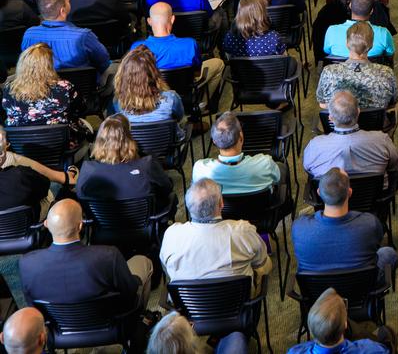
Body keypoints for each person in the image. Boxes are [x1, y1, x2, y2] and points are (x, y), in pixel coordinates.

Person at [20, 199, 151, 321]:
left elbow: (33, 306)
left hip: (60, 328)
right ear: (80, 226)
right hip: (109, 323)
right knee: (142, 261)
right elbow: (130, 291)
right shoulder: (108, 255)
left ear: (46, 224)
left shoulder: (26, 263)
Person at [160, 179, 272, 292]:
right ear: (221, 204)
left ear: (188, 207)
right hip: (238, 302)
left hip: (188, 305)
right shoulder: (243, 231)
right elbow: (261, 261)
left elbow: (167, 269)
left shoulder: (171, 235)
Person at [293, 167, 398, 285]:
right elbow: (377, 241)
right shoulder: (369, 223)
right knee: (388, 253)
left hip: (319, 294)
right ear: (350, 192)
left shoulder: (299, 228)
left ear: (318, 192)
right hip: (360, 289)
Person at [77, 114, 174, 216]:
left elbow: (82, 199)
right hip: (145, 226)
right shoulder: (147, 165)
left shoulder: (88, 170)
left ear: (99, 141)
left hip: (105, 228)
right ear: (129, 138)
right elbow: (167, 188)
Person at [2, 44, 89, 150]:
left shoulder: (9, 89)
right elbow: (82, 108)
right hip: (61, 147)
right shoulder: (65, 87)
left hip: (21, 148)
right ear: (49, 66)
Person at [303, 90, 398, 180]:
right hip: (376, 195)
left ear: (330, 118)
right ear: (358, 112)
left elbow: (307, 169)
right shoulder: (382, 140)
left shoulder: (314, 146)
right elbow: (394, 164)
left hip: (333, 197)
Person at [20, 0, 110, 77]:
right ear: (62, 11)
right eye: (68, 1)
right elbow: (104, 63)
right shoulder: (84, 36)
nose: (70, 1)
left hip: (42, 89)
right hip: (80, 88)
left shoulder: (29, 34)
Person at [192, 112, 282, 195]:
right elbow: (277, 179)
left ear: (214, 142)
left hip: (222, 212)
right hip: (260, 210)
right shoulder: (265, 163)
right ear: (241, 137)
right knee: (281, 167)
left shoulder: (200, 170)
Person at [316, 21, 396, 110]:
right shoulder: (386, 73)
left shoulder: (328, 72)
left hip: (341, 122)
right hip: (376, 123)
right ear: (371, 45)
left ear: (346, 43)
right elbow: (392, 103)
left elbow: (322, 103)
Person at [287, 288, 389, 354]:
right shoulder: (371, 349)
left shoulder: (294, 351)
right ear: (345, 324)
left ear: (311, 329)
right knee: (386, 333)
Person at [109, 46, 184, 127]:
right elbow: (179, 117)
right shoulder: (171, 99)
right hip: (167, 138)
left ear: (123, 77)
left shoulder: (118, 104)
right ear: (154, 74)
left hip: (133, 139)